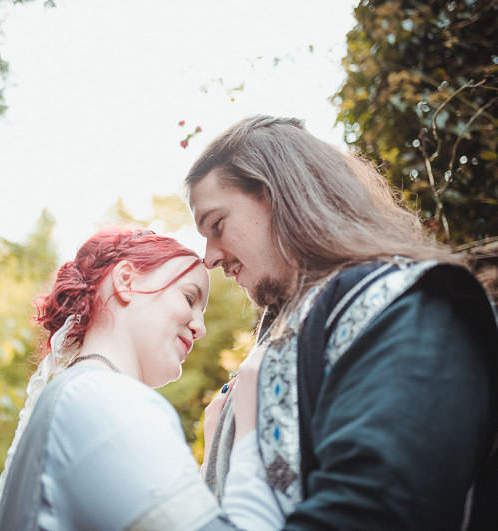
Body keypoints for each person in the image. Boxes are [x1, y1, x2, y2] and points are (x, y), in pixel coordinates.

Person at [188, 115, 498, 530]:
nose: (208, 258)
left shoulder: (408, 307)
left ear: (278, 196)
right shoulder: (300, 333)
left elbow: (371, 513)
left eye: (217, 224)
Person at [0, 227, 264, 530]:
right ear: (125, 281)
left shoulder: (77, 393)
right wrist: (248, 436)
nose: (200, 327)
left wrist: (214, 450)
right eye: (189, 298)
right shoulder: (102, 398)